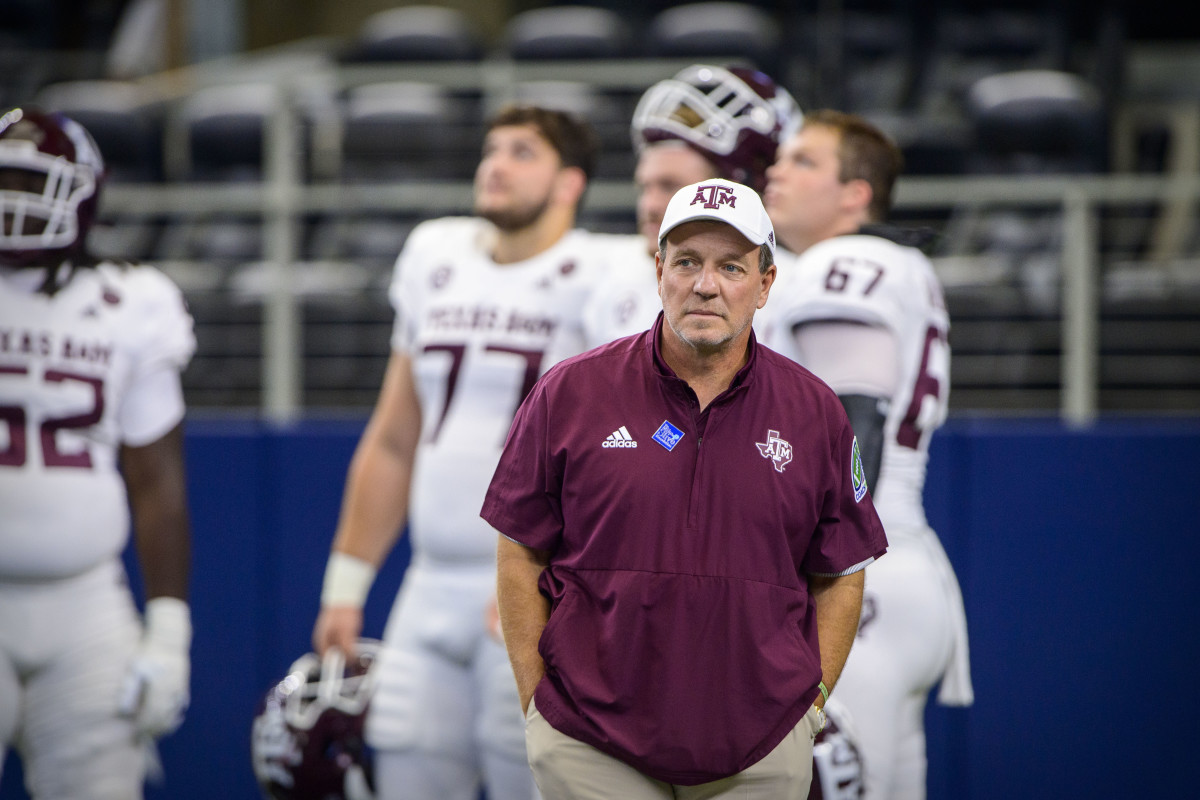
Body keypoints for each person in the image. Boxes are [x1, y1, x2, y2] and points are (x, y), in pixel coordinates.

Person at [483, 178, 887, 799]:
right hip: (589, 741)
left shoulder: (815, 412)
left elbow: (841, 572)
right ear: (659, 271)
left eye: (731, 267)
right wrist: (536, 699)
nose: (706, 285)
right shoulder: (570, 392)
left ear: (765, 284)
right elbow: (520, 550)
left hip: (760, 746)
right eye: (688, 262)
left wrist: (811, 707)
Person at [311, 105, 601, 800]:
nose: (495, 165)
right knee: (405, 772)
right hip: (428, 584)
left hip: (533, 588)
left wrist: (560, 582)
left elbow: (617, 459)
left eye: (522, 152)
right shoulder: (435, 254)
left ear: (570, 183)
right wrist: (345, 588)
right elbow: (394, 439)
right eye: (491, 149)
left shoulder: (603, 273)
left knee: (530, 776)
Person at [759, 110, 974, 800]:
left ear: (856, 194)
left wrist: (814, 573)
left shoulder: (845, 263)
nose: (776, 171)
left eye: (804, 161)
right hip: (902, 568)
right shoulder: (896, 263)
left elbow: (854, 428)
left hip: (858, 581)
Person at [0, 108, 195, 798]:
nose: (14, 199)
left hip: (86, 606)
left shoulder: (131, 300)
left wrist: (168, 630)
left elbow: (156, 480)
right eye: (5, 179)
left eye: (32, 183)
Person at [583, 63, 801, 346]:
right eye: (644, 187)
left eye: (671, 187)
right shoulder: (611, 279)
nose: (649, 205)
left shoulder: (795, 288)